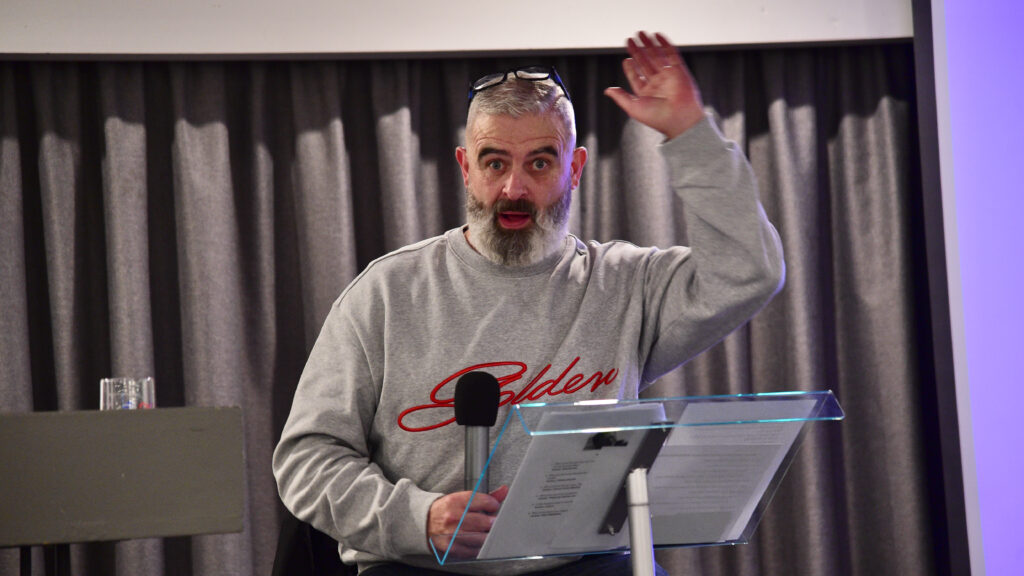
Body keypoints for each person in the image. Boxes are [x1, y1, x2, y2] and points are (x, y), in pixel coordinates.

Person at [273, 31, 785, 576]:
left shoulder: (627, 285)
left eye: (540, 163)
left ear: (576, 168)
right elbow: (307, 459)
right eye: (494, 163)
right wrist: (417, 518)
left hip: (587, 563)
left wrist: (690, 134)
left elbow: (750, 271)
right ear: (465, 167)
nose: (514, 188)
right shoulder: (385, 294)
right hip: (423, 565)